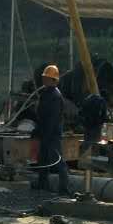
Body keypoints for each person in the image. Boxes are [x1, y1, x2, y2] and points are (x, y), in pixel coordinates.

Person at [31, 64, 72, 196]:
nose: (44, 80)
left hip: (52, 134)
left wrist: (46, 134)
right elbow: (42, 115)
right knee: (42, 159)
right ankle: (43, 183)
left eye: (47, 78)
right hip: (45, 132)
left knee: (57, 160)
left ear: (53, 80)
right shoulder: (46, 94)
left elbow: (52, 118)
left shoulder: (55, 96)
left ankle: (64, 188)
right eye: (44, 78)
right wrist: (37, 130)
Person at [78, 91, 108, 155]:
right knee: (95, 142)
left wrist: (84, 123)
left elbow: (81, 112)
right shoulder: (102, 101)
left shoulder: (87, 99)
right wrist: (101, 122)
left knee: (87, 140)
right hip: (96, 125)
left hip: (87, 124)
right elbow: (104, 115)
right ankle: (94, 155)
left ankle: (82, 155)